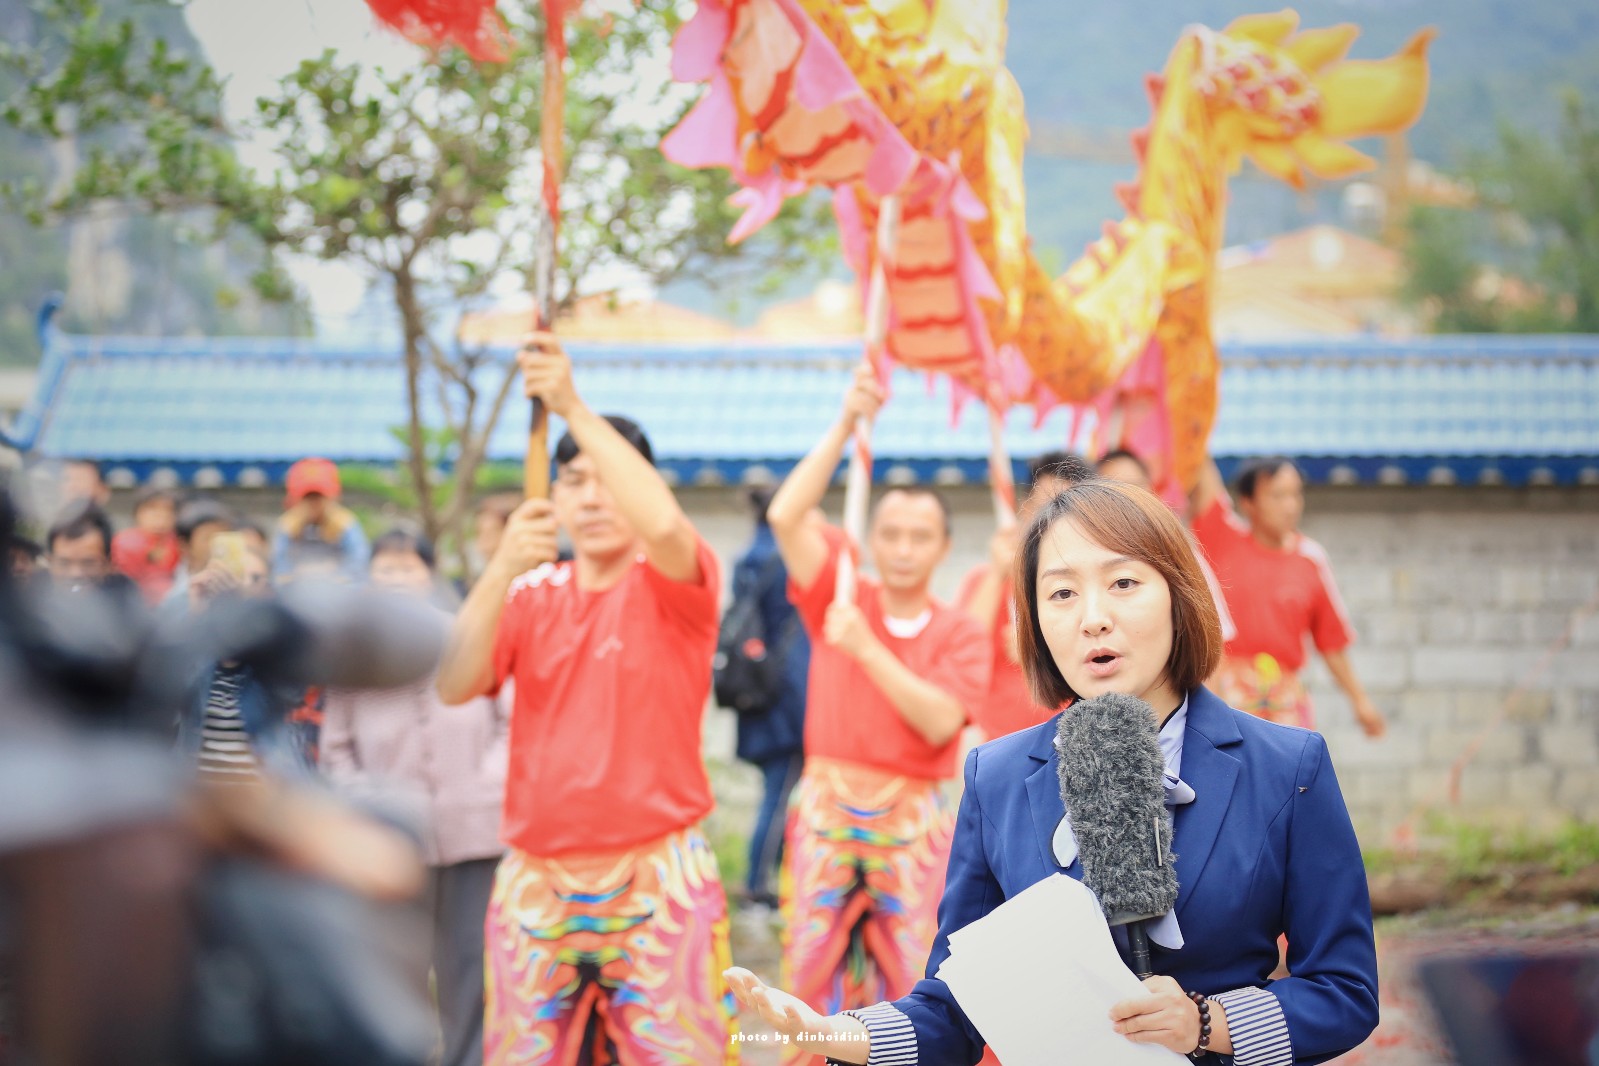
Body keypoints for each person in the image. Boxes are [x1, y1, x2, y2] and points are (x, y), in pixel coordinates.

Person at [726, 479, 1381, 1066]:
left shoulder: (1286, 767)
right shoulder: (997, 777)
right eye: (1061, 593)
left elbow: (1344, 992)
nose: (1092, 617)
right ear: (1036, 623)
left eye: (1123, 583)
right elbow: (953, 1011)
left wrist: (1208, 1023)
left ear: (1179, 596)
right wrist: (835, 1032)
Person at [435, 331, 733, 1065]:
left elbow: (661, 524)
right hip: (536, 878)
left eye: (608, 478)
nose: (593, 497)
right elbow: (452, 681)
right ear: (554, 496)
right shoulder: (530, 594)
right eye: (572, 480)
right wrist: (502, 566)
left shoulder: (676, 585)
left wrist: (569, 404)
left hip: (657, 873)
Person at [765, 364, 989, 1024]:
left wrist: (865, 647)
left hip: (914, 819)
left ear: (944, 547)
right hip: (827, 806)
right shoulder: (839, 592)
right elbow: (785, 514)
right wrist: (846, 422)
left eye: (920, 536)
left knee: (914, 973)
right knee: (811, 973)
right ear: (871, 540)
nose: (903, 549)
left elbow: (939, 723)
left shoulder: (958, 632)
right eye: (890, 534)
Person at [321, 530, 507, 1066]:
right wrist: (366, 801)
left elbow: (511, 722)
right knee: (396, 966)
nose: (398, 579)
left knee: (469, 963)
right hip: (391, 841)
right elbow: (335, 749)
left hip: (474, 830)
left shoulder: (468, 635)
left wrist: (489, 783)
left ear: (430, 574)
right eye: (386, 569)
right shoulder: (353, 655)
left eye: (408, 568)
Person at [1191, 457, 1386, 737]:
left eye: (1295, 494)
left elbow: (1331, 641)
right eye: (1277, 496)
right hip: (1226, 693)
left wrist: (1360, 701)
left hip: (1286, 702)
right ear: (1248, 502)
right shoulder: (1221, 538)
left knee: (1293, 764)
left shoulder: (1310, 559)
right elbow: (1200, 462)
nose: (1290, 506)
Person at [955, 451, 1095, 742]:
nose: (1054, 520)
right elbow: (962, 649)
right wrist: (997, 574)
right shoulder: (984, 579)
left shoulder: (1094, 583)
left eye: (1068, 509)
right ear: (1026, 507)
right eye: (1046, 506)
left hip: (1078, 737)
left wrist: (1037, 650)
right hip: (1003, 741)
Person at [729, 484, 810, 912]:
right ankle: (758, 884)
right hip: (788, 697)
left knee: (774, 792)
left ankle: (764, 879)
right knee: (780, 796)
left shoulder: (747, 557)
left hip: (757, 692)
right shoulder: (787, 558)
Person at [177, 542, 318, 779]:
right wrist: (197, 613)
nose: (241, 587)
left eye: (254, 579)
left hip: (266, 790)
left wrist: (243, 612)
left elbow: (289, 690)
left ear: (269, 590)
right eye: (231, 578)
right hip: (200, 793)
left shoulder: (281, 648)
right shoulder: (201, 648)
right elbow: (171, 696)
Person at [1097, 447, 1238, 647]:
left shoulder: (1180, 554)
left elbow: (1214, 639)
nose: (1126, 499)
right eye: (1113, 490)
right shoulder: (1085, 557)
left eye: (1135, 486)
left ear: (1151, 491)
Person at [271, 458, 370, 584]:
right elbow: (279, 568)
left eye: (319, 497)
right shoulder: (287, 525)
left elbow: (359, 563)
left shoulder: (345, 523)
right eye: (308, 498)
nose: (314, 503)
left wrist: (336, 576)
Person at [45, 503, 140, 602]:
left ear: (110, 564)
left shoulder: (128, 602)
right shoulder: (37, 602)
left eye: (88, 563)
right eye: (64, 563)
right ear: (49, 561)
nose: (76, 574)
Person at [112, 487, 182, 604]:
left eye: (168, 509)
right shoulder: (123, 543)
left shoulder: (181, 543)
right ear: (138, 513)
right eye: (152, 508)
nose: (161, 514)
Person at [163, 499, 235, 607]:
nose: (218, 545)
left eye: (223, 537)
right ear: (184, 545)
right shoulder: (173, 594)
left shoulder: (242, 584)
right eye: (208, 538)